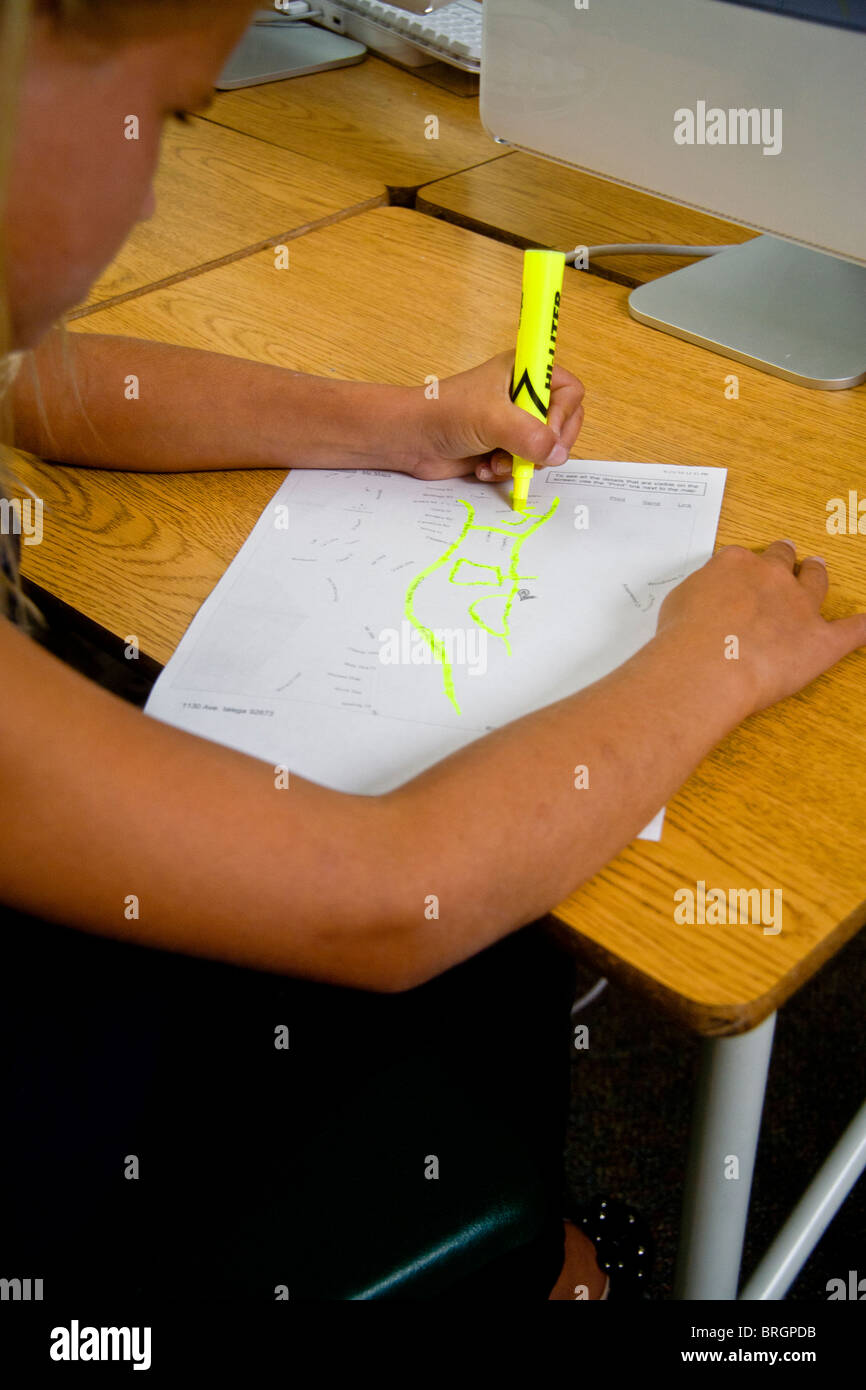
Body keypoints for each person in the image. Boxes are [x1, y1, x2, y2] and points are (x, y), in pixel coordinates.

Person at [1, 0, 863, 1302]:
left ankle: (540, 1248)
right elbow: (387, 897)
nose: (151, 191)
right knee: (492, 913)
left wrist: (395, 425)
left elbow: (36, 383)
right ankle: (537, 1266)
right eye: (169, 117)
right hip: (69, 1184)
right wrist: (710, 663)